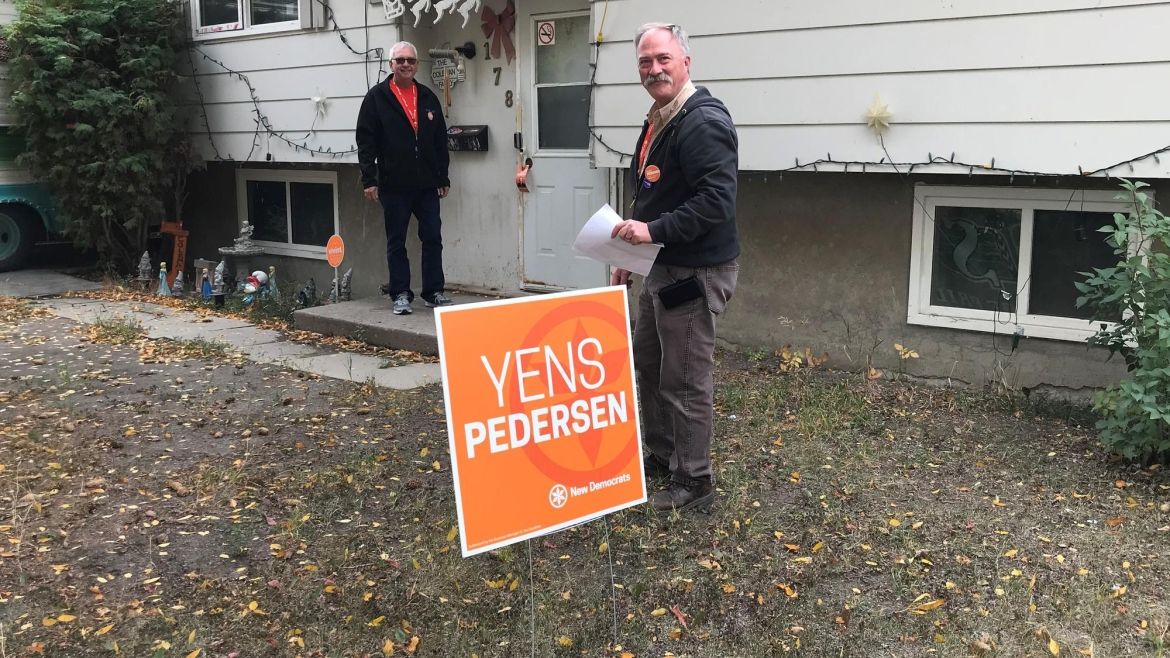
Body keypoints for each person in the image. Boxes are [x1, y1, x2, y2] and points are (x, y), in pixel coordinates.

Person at [610, 23, 739, 513]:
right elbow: (654, 193)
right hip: (662, 266)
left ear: (686, 61)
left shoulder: (701, 121)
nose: (654, 69)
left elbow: (716, 203)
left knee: (684, 378)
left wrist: (652, 232)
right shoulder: (661, 117)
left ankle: (695, 481)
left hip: (694, 273)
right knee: (648, 362)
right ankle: (664, 455)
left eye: (663, 58)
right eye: (645, 61)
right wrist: (630, 257)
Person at [356, 41, 454, 315]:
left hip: (427, 184)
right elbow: (366, 141)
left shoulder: (427, 96)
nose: (406, 65)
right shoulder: (377, 98)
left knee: (432, 237)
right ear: (391, 64)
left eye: (410, 60)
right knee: (396, 241)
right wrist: (370, 179)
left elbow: (439, 140)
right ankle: (400, 294)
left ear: (417, 65)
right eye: (400, 60)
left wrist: (443, 177)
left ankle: (433, 291)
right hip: (394, 185)